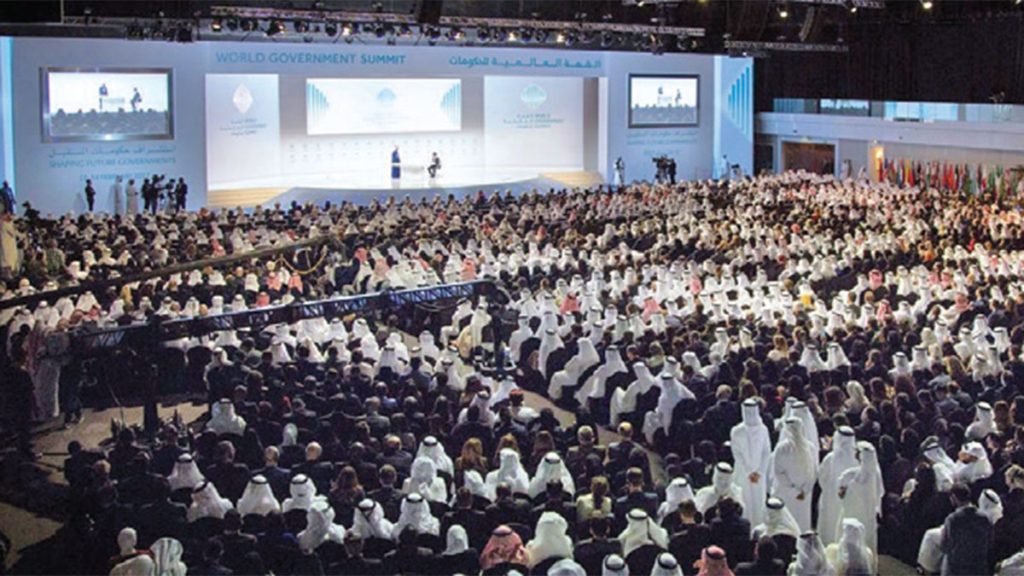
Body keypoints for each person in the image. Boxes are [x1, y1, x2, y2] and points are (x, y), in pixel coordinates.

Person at [939, 485, 993, 576]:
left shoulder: (952, 519)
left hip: (956, 569)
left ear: (954, 497)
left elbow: (944, 545)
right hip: (979, 567)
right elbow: (990, 542)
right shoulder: (985, 518)